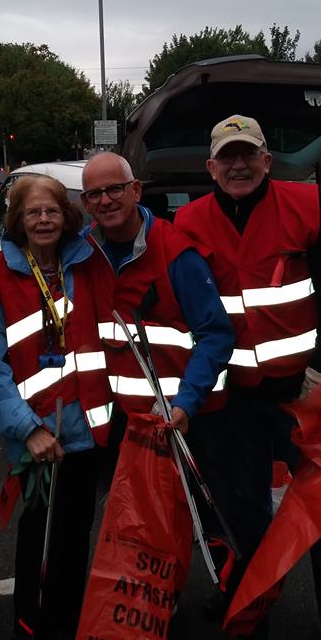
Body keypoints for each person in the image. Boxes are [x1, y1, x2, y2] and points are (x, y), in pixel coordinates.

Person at [174, 114, 321, 640]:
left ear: (266, 161)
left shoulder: (305, 206)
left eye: (247, 154)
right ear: (210, 167)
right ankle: (256, 630)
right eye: (226, 156)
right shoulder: (187, 221)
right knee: (248, 518)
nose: (237, 165)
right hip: (232, 404)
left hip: (300, 394)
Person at [0, 176, 113, 640]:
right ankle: (33, 633)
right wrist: (26, 429)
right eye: (32, 213)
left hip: (84, 431)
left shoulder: (87, 264)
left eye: (52, 211)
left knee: (75, 535)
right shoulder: (2, 277)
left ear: (67, 216)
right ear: (16, 220)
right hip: (38, 434)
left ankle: (66, 620)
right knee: (39, 539)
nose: (42, 220)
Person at [80, 152, 233, 436]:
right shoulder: (81, 252)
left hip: (183, 418)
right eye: (94, 194)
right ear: (85, 203)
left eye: (115, 189)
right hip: (121, 422)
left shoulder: (176, 253)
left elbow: (216, 334)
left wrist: (186, 402)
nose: (105, 200)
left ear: (136, 190)